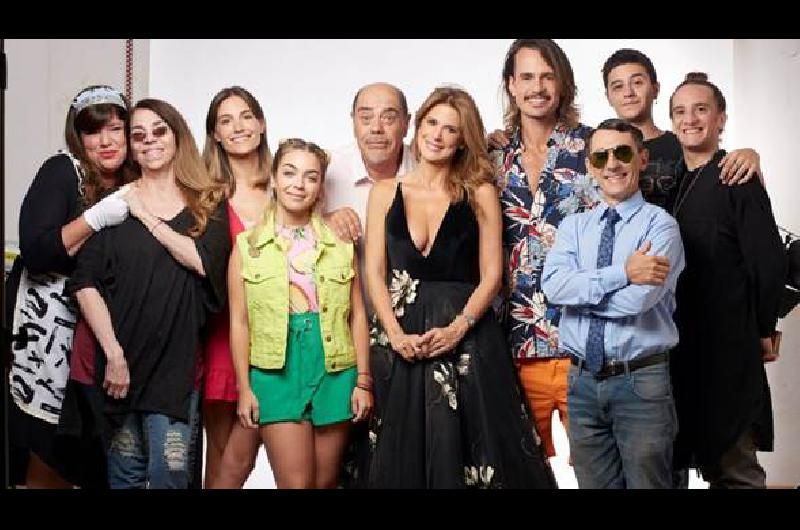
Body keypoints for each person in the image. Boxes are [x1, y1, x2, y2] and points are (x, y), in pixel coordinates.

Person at [360, 86, 556, 488]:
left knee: (476, 454)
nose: (437, 135)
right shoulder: (384, 192)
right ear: (418, 126)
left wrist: (457, 328)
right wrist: (394, 334)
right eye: (432, 123)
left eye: (450, 129)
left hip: (468, 340)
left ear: (463, 139)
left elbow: (492, 275)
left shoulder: (479, 192)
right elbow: (374, 271)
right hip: (401, 341)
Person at [67, 98, 230, 489]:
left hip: (175, 375)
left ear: (177, 136)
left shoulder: (206, 203)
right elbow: (84, 283)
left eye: (159, 131)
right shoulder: (113, 205)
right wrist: (113, 354)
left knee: (168, 477)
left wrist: (143, 215)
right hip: (121, 370)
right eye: (138, 135)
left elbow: (202, 262)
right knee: (124, 478)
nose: (150, 141)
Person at [542, 118, 685, 488]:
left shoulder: (660, 226)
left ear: (642, 158)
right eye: (600, 156)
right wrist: (624, 271)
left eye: (622, 153)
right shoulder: (574, 227)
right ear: (590, 166)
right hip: (581, 383)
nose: (612, 164)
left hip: (640, 383)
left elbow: (638, 300)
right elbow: (553, 287)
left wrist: (577, 298)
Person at [8, 84, 134, 488]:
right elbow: (37, 251)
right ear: (78, 137)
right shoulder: (63, 171)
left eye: (115, 128)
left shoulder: (134, 181)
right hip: (48, 333)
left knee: (94, 450)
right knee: (51, 445)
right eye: (94, 131)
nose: (107, 141)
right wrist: (94, 219)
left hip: (100, 334)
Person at [228, 138, 372, 489]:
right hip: (275, 371)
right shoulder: (247, 246)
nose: (299, 184)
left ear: (321, 186)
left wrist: (363, 381)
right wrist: (245, 388)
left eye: (311, 176)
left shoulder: (340, 244)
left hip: (334, 367)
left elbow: (356, 315)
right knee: (296, 483)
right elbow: (240, 322)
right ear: (274, 179)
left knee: (325, 482)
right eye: (289, 173)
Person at [668, 73, 786, 488]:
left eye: (701, 109)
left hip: (729, 348)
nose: (690, 119)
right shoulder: (677, 181)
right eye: (680, 111)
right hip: (685, 348)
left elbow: (768, 262)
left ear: (721, 119)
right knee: (705, 463)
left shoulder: (737, 177)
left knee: (736, 467)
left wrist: (764, 328)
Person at [490, 39, 600, 463]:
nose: (537, 87)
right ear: (511, 85)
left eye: (547, 76)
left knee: (599, 470)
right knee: (523, 472)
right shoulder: (490, 156)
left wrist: (738, 154)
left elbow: (651, 161)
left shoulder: (594, 147)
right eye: (527, 77)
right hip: (512, 345)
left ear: (563, 84)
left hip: (581, 342)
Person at [200, 86, 271, 489]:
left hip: (282, 338)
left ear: (261, 124)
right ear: (215, 135)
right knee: (225, 461)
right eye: (226, 121)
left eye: (246, 116)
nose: (238, 127)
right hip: (225, 335)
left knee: (265, 453)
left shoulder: (287, 182)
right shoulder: (204, 194)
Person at [601, 48, 763, 211]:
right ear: (608, 97)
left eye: (637, 83)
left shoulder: (686, 143)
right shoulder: (598, 152)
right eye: (618, 86)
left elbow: (727, 187)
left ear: (655, 89)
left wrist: (749, 157)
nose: (628, 93)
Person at [324, 82, 414, 243]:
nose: (376, 128)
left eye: (388, 118)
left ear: (406, 123)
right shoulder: (326, 169)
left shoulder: (427, 169)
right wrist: (322, 222)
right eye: (366, 118)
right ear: (353, 122)